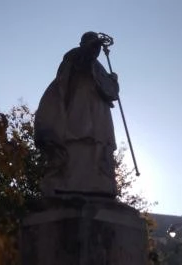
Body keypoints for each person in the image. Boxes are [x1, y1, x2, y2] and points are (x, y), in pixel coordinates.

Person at [35, 32, 119, 198]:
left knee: (100, 142)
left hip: (99, 110)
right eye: (93, 46)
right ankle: (70, 181)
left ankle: (98, 182)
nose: (96, 50)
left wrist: (113, 81)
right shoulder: (75, 56)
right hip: (79, 104)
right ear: (84, 44)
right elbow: (81, 62)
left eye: (98, 48)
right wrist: (92, 47)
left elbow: (111, 93)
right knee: (79, 137)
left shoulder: (99, 66)